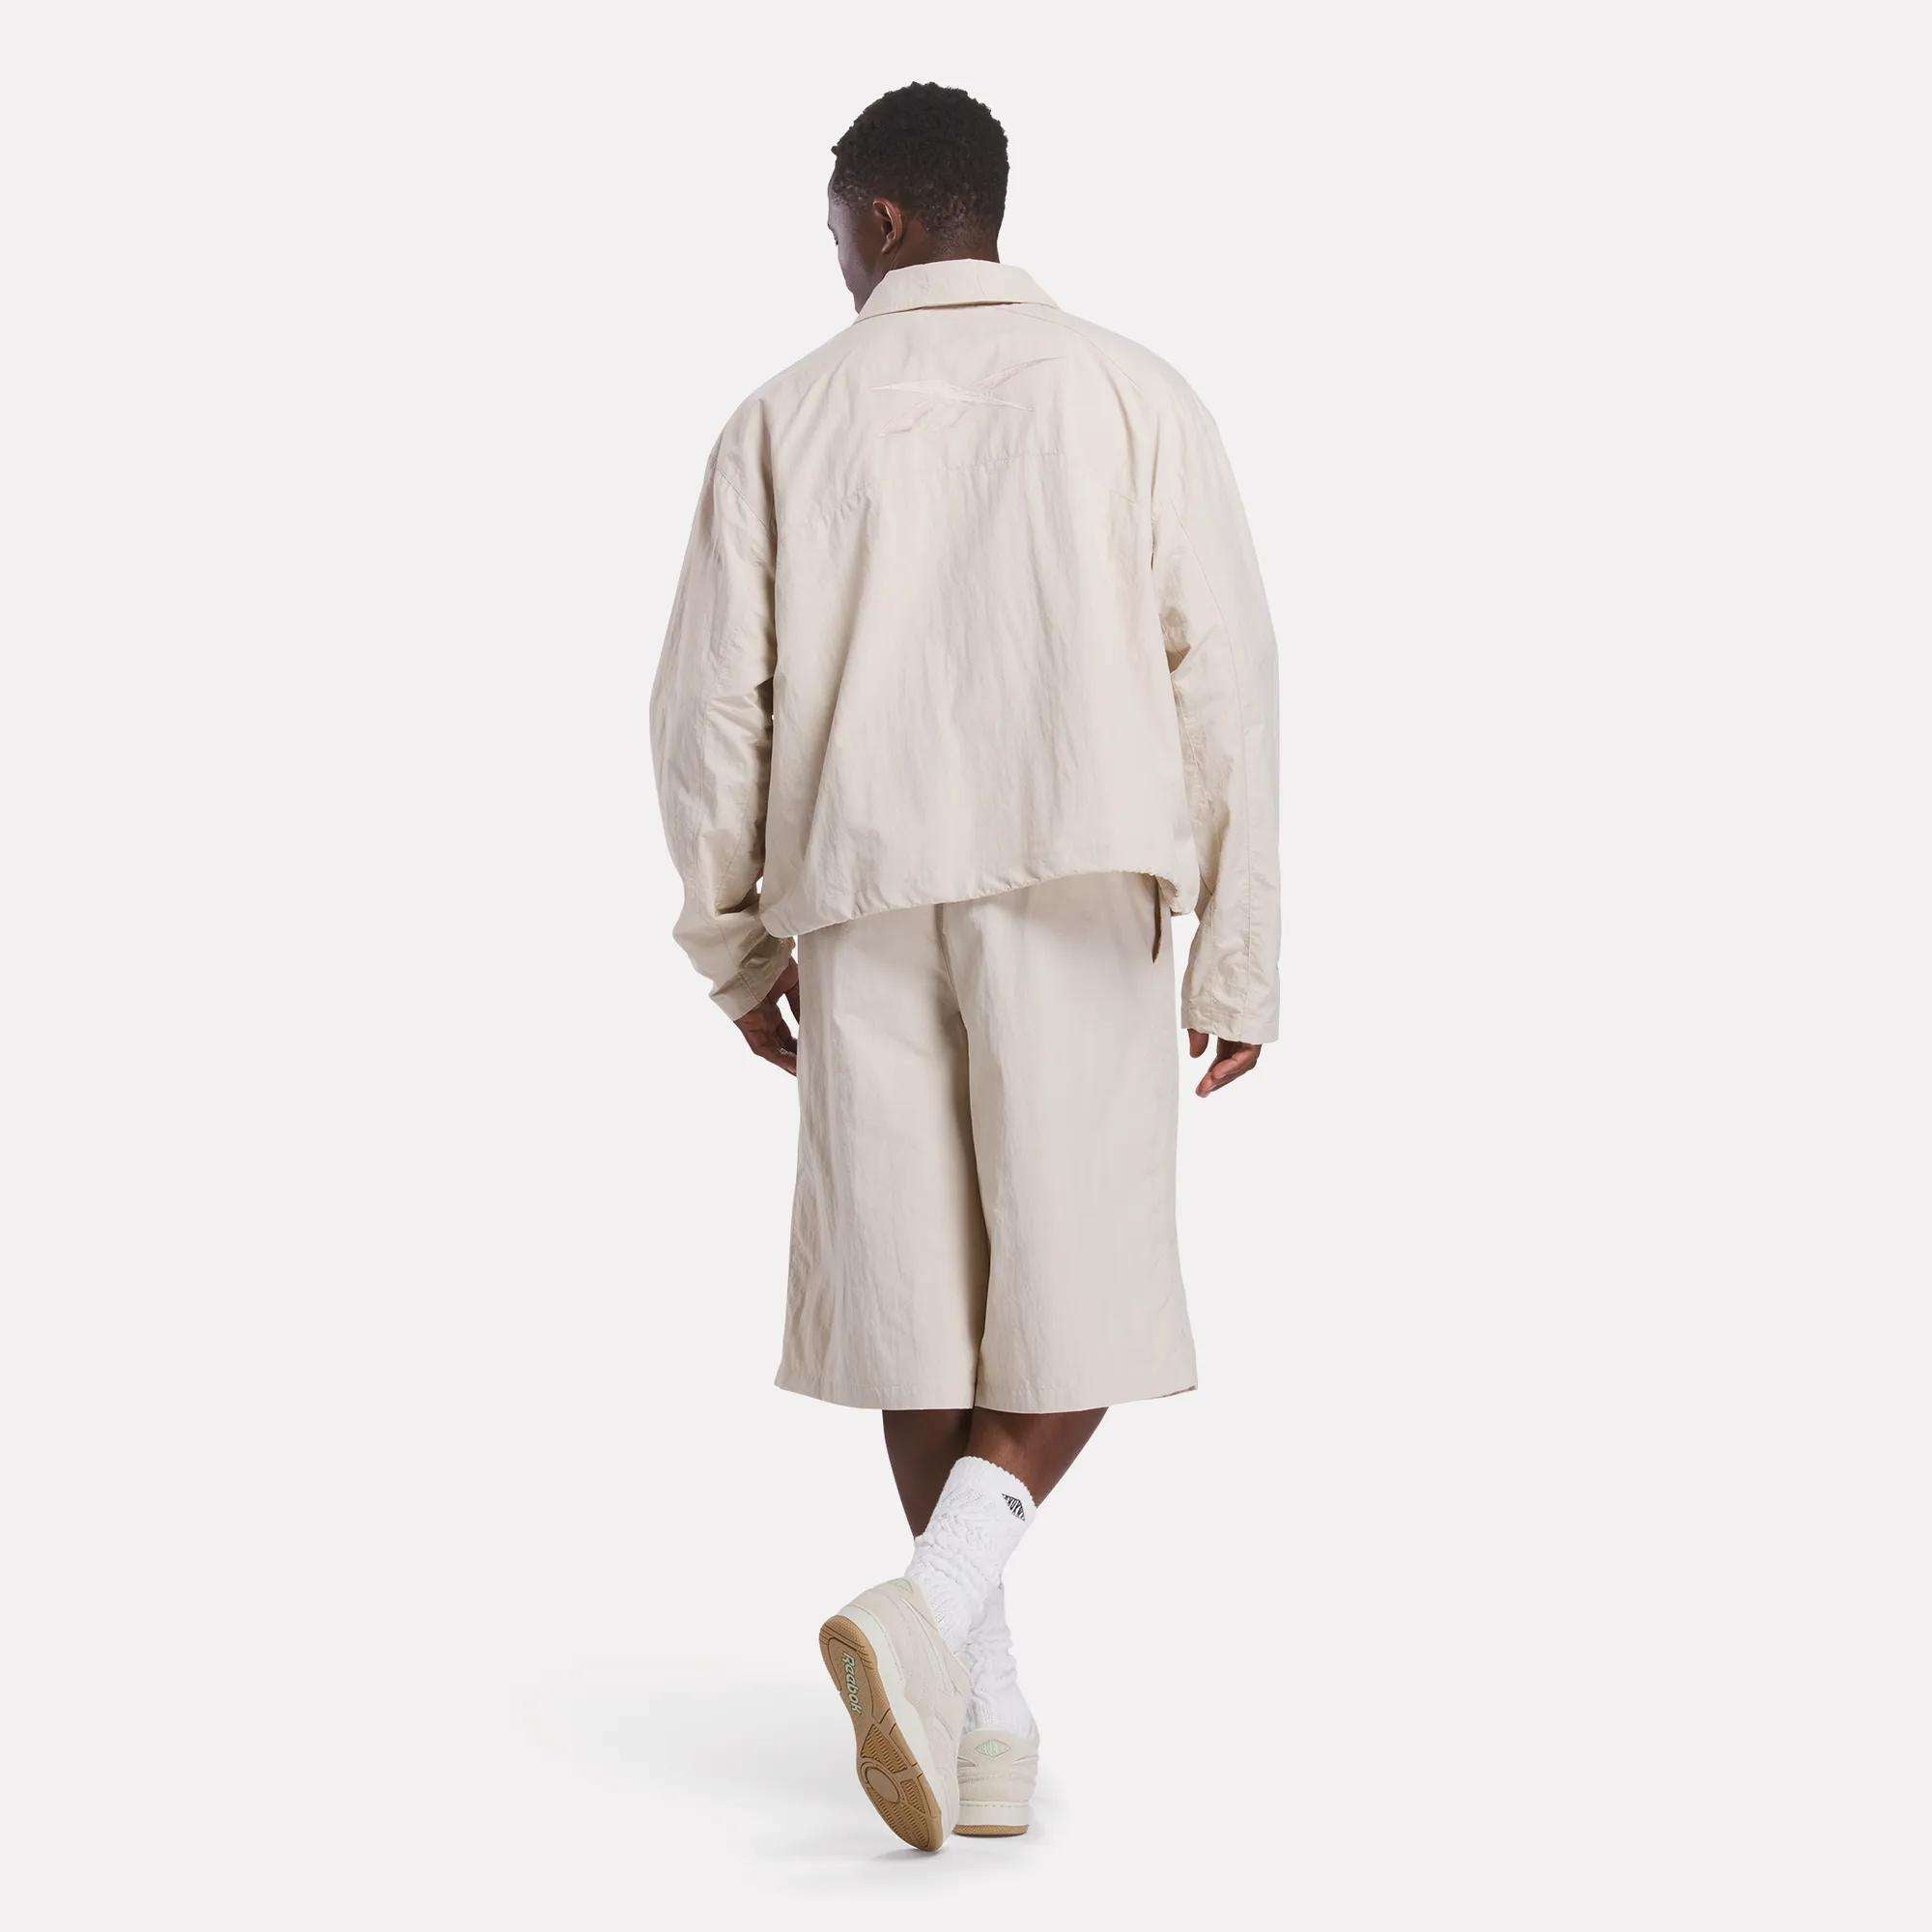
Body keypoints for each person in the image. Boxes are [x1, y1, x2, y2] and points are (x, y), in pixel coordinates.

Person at [651, 81, 1280, 1850]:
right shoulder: (1133, 395)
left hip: (858, 895)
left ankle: (968, 1686)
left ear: (886, 216)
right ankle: (957, 1653)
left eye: (834, 225)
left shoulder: (783, 417)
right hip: (1079, 875)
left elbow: (707, 708)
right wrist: (1237, 952)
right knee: (1080, 1283)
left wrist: (733, 939)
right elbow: (1227, 674)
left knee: (920, 1305)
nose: (834, 257)